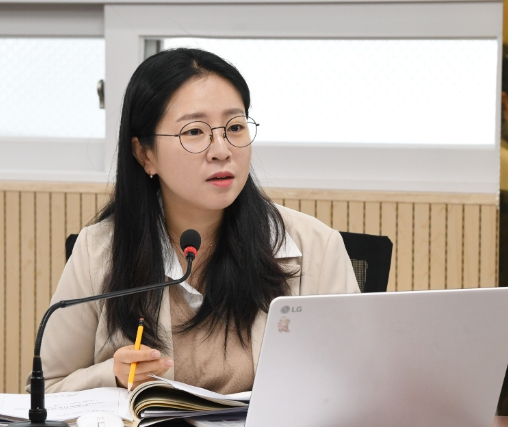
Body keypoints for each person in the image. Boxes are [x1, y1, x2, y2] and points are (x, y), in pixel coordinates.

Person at [40, 48, 359, 394]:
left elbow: (357, 383)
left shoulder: (317, 248)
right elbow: (47, 390)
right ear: (145, 154)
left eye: (234, 127)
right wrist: (111, 375)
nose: (221, 150)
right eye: (194, 132)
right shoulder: (97, 251)